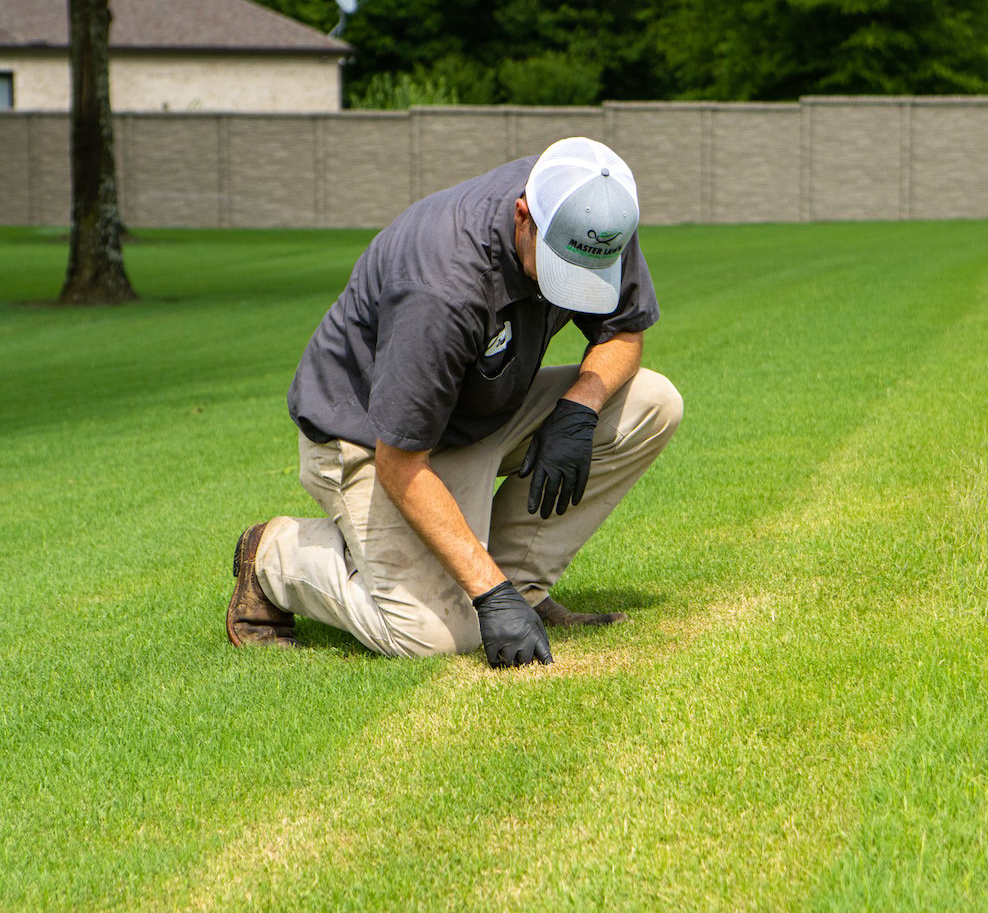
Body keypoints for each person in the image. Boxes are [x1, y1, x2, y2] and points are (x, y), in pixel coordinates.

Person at [224, 137, 683, 668]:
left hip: (481, 406)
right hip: (370, 439)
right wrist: (489, 594)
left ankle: (522, 589)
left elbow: (622, 332)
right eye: (560, 268)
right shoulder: (441, 283)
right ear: (523, 217)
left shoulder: (594, 210)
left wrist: (580, 405)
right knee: (432, 635)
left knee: (652, 402)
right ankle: (274, 558)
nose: (573, 289)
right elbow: (400, 462)